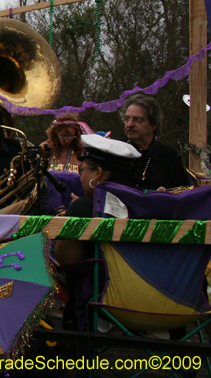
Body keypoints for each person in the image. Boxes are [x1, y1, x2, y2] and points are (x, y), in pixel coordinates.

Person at [54, 134, 141, 331]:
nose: (79, 176)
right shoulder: (149, 203)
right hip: (154, 303)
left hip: (103, 302)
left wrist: (75, 212)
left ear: (98, 173)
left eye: (82, 169)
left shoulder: (84, 207)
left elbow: (66, 259)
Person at [119, 93, 190, 190]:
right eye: (127, 119)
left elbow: (182, 192)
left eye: (137, 119)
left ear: (154, 124)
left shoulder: (170, 156)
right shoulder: (116, 149)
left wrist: (164, 195)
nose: (130, 124)